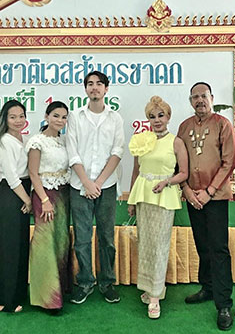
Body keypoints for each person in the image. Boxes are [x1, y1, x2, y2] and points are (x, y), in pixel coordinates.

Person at [176, 82, 235, 331]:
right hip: (192, 196)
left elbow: (229, 161)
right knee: (202, 244)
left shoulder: (223, 124)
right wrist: (187, 190)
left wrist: (209, 191)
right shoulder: (184, 127)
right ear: (190, 101)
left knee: (218, 248)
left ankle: (224, 304)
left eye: (203, 96)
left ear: (212, 98)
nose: (200, 100)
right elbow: (178, 162)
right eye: (195, 97)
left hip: (215, 197)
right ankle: (208, 288)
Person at [126, 96, 189, 319]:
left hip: (164, 197)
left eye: (161, 115)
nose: (157, 120)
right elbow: (136, 171)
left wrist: (167, 182)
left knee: (160, 246)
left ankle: (155, 297)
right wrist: (131, 200)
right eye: (152, 117)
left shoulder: (176, 142)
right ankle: (150, 287)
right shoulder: (142, 140)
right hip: (143, 197)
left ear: (168, 117)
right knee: (145, 244)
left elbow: (184, 173)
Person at [66, 71, 125, 304]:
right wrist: (87, 183)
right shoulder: (75, 116)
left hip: (106, 186)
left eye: (99, 84)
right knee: (82, 237)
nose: (94, 88)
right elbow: (72, 152)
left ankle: (107, 282)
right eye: (90, 84)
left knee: (106, 237)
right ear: (85, 89)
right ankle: (85, 282)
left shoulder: (115, 118)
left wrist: (97, 183)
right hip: (79, 185)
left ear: (106, 89)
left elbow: (117, 152)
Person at [0, 100, 33, 313]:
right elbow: (12, 177)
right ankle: (2, 300)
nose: (18, 120)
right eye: (13, 117)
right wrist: (27, 200)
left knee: (18, 245)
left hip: (22, 192)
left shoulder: (23, 139)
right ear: (5, 119)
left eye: (21, 116)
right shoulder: (4, 141)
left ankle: (15, 294)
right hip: (12, 195)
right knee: (8, 247)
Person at [25, 101, 73, 312]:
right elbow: (33, 173)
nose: (60, 120)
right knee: (44, 243)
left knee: (61, 241)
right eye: (56, 116)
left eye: (64, 117)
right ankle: (46, 297)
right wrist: (44, 200)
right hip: (44, 195)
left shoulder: (63, 141)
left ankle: (60, 290)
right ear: (46, 116)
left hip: (63, 194)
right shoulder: (37, 142)